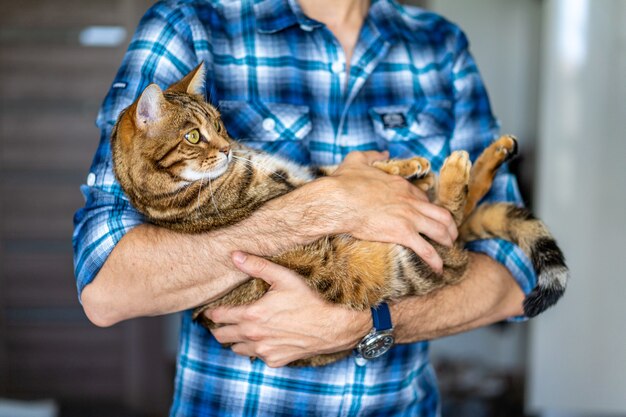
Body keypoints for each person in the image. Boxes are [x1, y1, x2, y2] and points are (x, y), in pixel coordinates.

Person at [73, 0, 536, 415]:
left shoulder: (440, 44)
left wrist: (365, 323)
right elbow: (105, 287)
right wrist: (328, 204)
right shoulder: (188, 23)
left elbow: (517, 276)